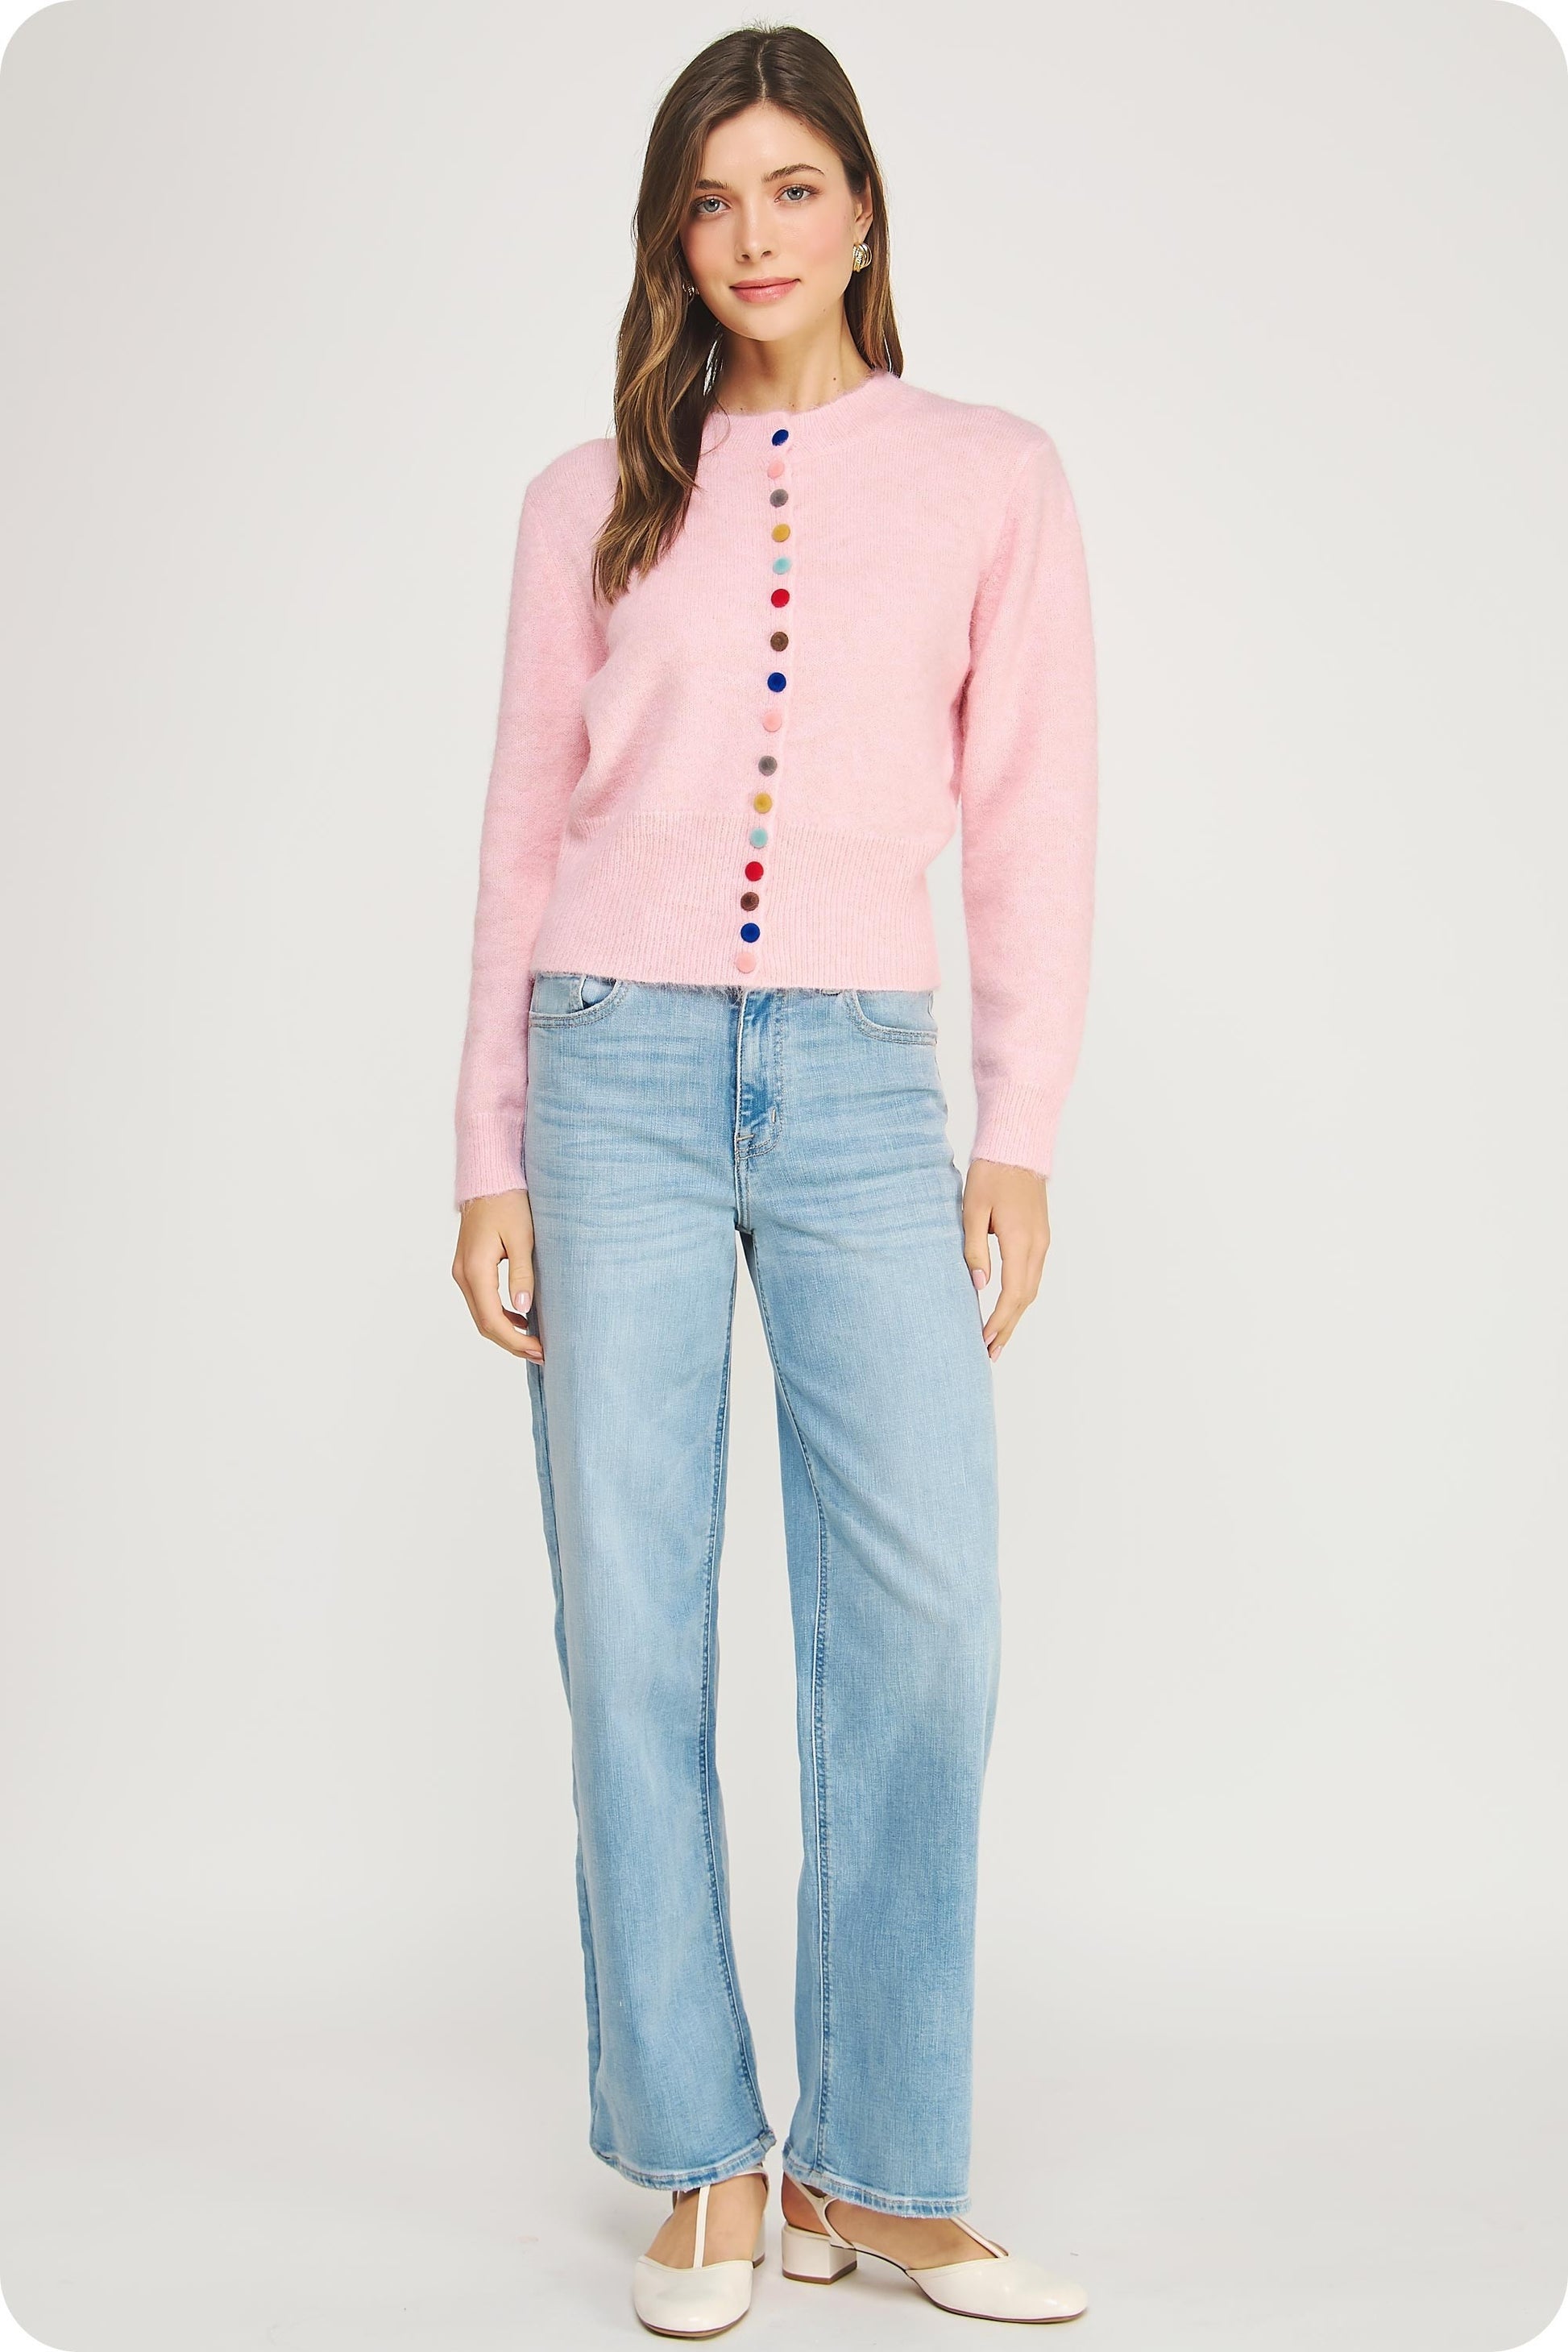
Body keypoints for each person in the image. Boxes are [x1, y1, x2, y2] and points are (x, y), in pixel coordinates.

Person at [450, 23, 1097, 2338]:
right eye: (710, 201)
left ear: (862, 207)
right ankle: (703, 2161)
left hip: (856, 1089)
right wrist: (487, 1149)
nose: (751, 237)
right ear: (672, 234)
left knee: (923, 1624)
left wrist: (1015, 1128)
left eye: (791, 188)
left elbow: (1030, 817)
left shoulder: (992, 475)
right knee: (630, 1621)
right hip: (606, 1070)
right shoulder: (588, 498)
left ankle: (881, 2171)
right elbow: (520, 828)